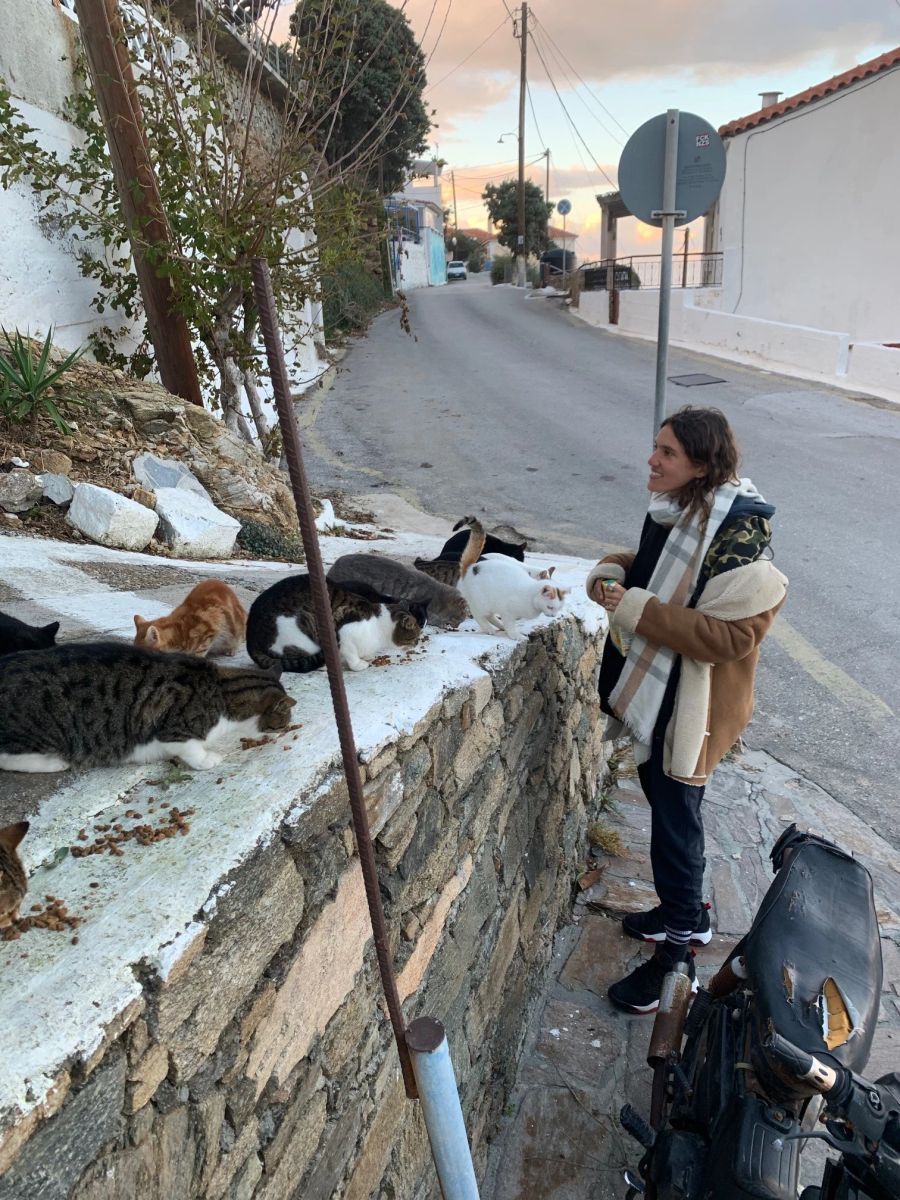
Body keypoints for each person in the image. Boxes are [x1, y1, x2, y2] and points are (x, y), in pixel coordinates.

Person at [585, 406, 787, 1014]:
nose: (652, 459)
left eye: (667, 452)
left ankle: (678, 956)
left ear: (701, 465)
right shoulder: (675, 510)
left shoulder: (738, 533)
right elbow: (657, 577)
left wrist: (635, 608)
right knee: (663, 803)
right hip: (662, 693)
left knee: (677, 826)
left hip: (692, 707)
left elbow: (731, 638)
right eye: (655, 446)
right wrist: (613, 571)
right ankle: (686, 912)